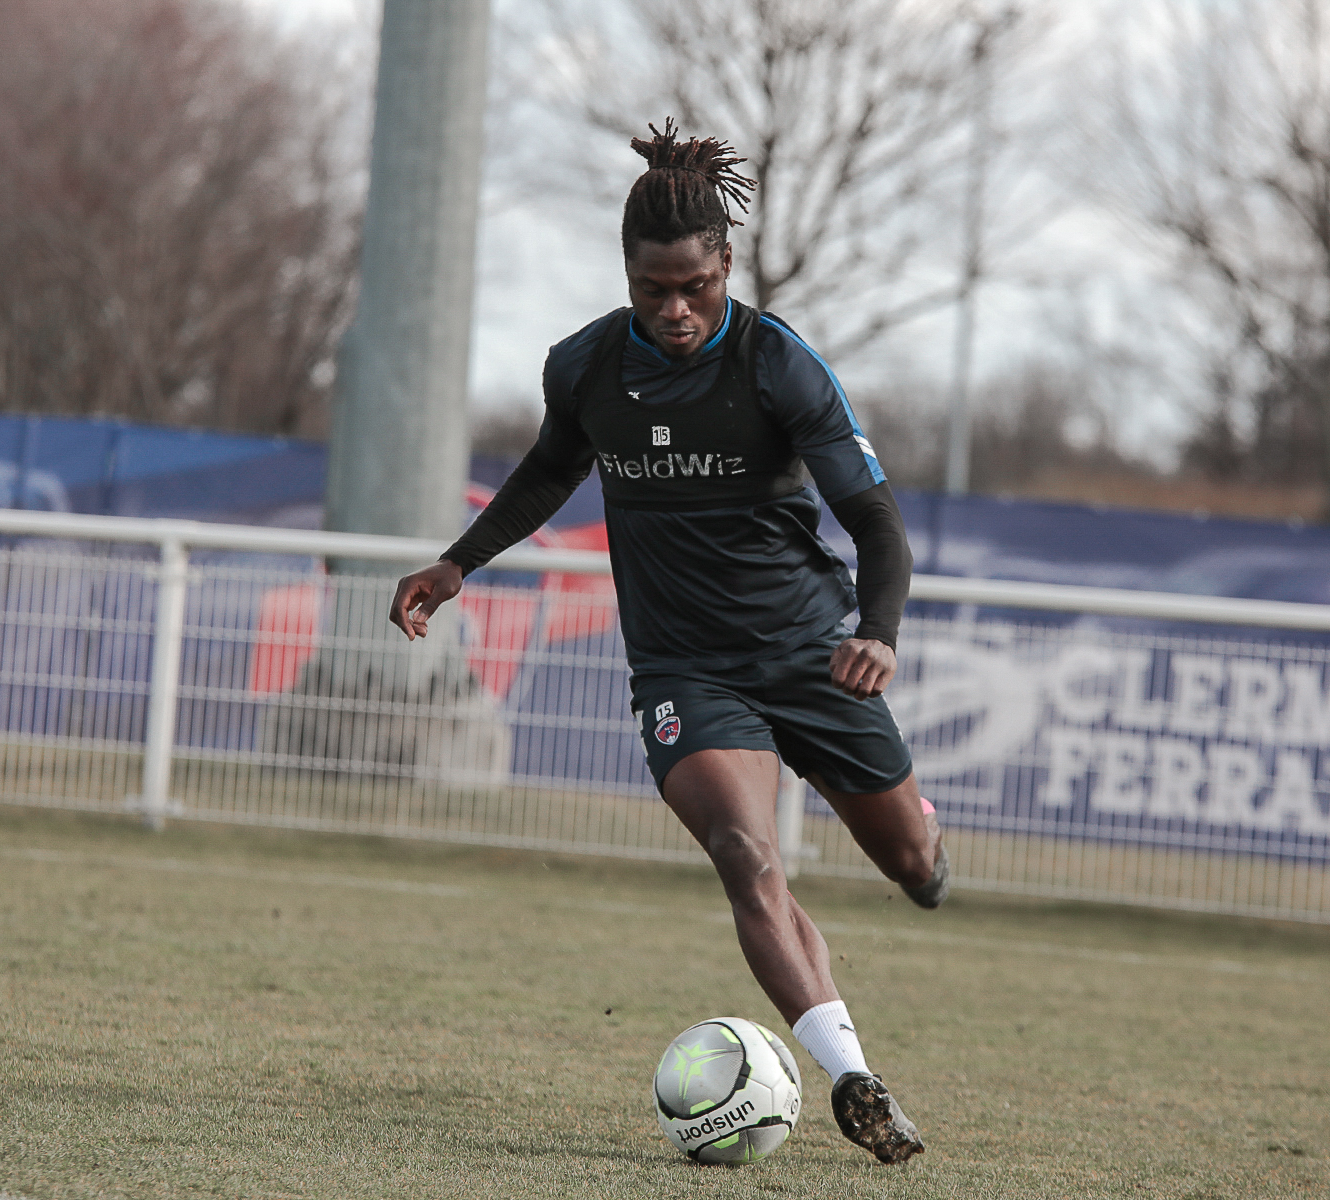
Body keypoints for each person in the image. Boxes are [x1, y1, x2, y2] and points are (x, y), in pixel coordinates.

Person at [389, 119, 946, 1165]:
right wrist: (459, 561)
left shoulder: (778, 366)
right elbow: (554, 469)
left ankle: (915, 825)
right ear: (629, 276)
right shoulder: (588, 367)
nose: (675, 307)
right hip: (686, 671)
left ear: (723, 266)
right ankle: (853, 1077)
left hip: (811, 653)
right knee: (745, 855)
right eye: (654, 289)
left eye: (693, 285)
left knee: (916, 869)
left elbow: (875, 521)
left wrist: (877, 632)